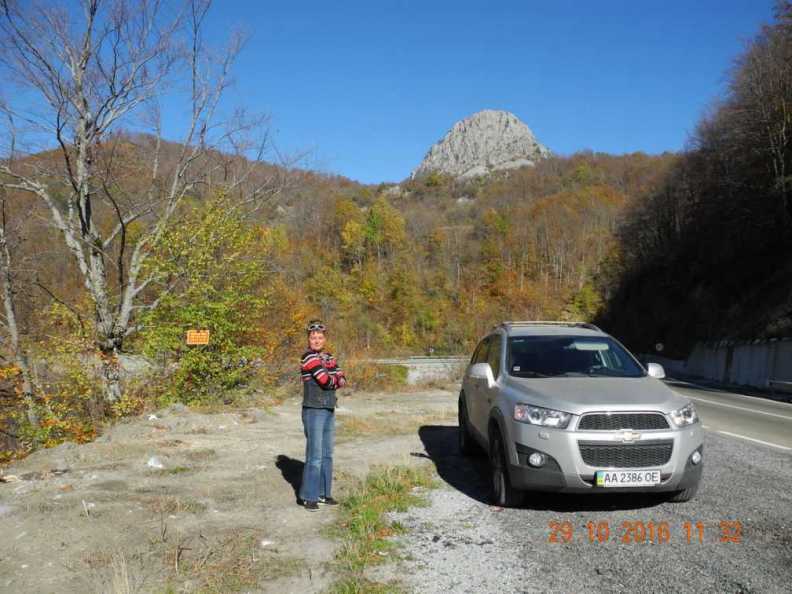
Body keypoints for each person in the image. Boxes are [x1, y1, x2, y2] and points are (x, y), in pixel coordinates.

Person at [299, 320, 347, 511]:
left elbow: (343, 379)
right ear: (309, 339)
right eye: (313, 337)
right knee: (315, 455)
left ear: (324, 338)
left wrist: (334, 378)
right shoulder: (308, 357)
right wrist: (335, 378)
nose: (316, 340)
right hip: (313, 410)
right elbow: (326, 380)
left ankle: (324, 494)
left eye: (320, 337)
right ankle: (309, 497)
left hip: (328, 409)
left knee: (327, 454)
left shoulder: (328, 357)